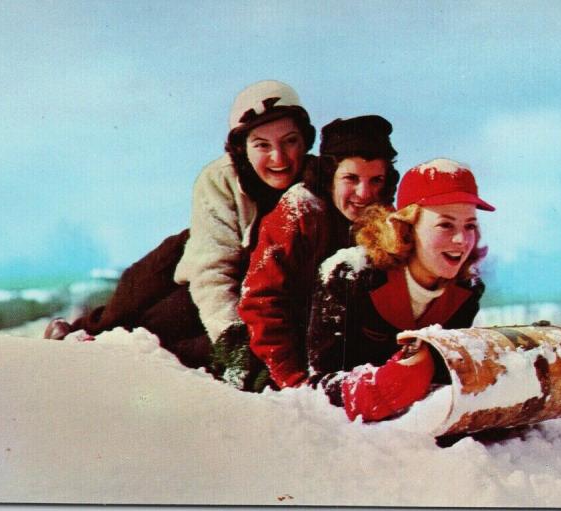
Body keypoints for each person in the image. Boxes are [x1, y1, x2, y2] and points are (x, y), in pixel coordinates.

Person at [45, 80, 317, 374]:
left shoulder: (319, 184)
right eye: (262, 145)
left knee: (162, 323)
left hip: (243, 279)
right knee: (139, 285)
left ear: (305, 140)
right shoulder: (219, 178)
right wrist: (230, 337)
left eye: (290, 141)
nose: (279, 158)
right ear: (242, 149)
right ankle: (81, 329)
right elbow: (211, 270)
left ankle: (100, 345)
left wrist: (232, 338)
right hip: (203, 255)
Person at [306, 158, 495, 422]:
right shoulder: (349, 275)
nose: (462, 240)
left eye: (470, 226)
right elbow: (318, 383)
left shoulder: (468, 289)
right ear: (406, 228)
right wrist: (382, 385)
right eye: (445, 225)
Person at [230, 115, 399, 390]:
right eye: (351, 178)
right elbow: (261, 302)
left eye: (376, 180)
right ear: (330, 175)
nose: (364, 193)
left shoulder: (387, 222)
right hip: (280, 356)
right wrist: (294, 380)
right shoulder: (299, 212)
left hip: (346, 358)